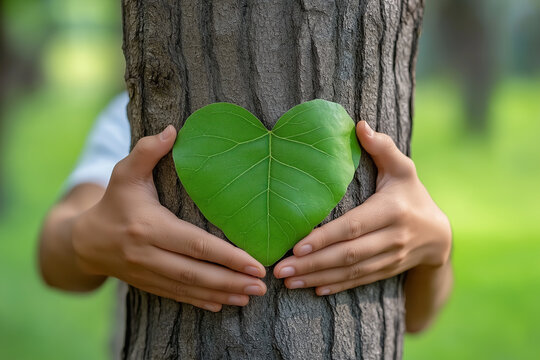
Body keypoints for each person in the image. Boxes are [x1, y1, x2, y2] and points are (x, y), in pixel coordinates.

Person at [38, 93, 453, 333]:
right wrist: (83, 239)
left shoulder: (382, 118)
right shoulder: (137, 111)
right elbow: (52, 257)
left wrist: (436, 249)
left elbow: (415, 319)